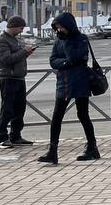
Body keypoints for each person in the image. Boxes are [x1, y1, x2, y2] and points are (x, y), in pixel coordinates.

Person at [37, 12, 99, 164]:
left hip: (79, 81)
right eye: (57, 28)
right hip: (63, 81)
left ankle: (92, 147)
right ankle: (52, 151)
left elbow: (76, 57)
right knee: (57, 116)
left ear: (68, 26)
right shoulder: (59, 40)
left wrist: (67, 52)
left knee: (83, 114)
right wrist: (64, 63)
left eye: (61, 27)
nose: (59, 30)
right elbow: (53, 60)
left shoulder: (81, 38)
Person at [0, 15, 37, 147]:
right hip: (8, 78)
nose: (22, 31)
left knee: (19, 108)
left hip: (18, 77)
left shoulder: (13, 39)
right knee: (7, 108)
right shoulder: (1, 41)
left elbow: (16, 57)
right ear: (14, 26)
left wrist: (26, 53)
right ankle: (1, 137)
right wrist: (24, 51)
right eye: (21, 28)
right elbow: (7, 59)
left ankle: (16, 136)